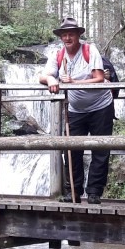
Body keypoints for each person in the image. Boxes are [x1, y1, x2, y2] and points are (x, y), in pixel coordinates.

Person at [39, 17, 115, 204]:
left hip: (101, 106)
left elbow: (99, 78)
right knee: (72, 150)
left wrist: (74, 82)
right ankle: (73, 191)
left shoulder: (90, 50)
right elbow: (44, 76)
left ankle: (94, 192)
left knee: (100, 149)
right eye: (64, 35)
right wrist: (51, 79)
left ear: (78, 35)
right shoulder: (58, 55)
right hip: (75, 109)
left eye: (71, 34)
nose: (67, 38)